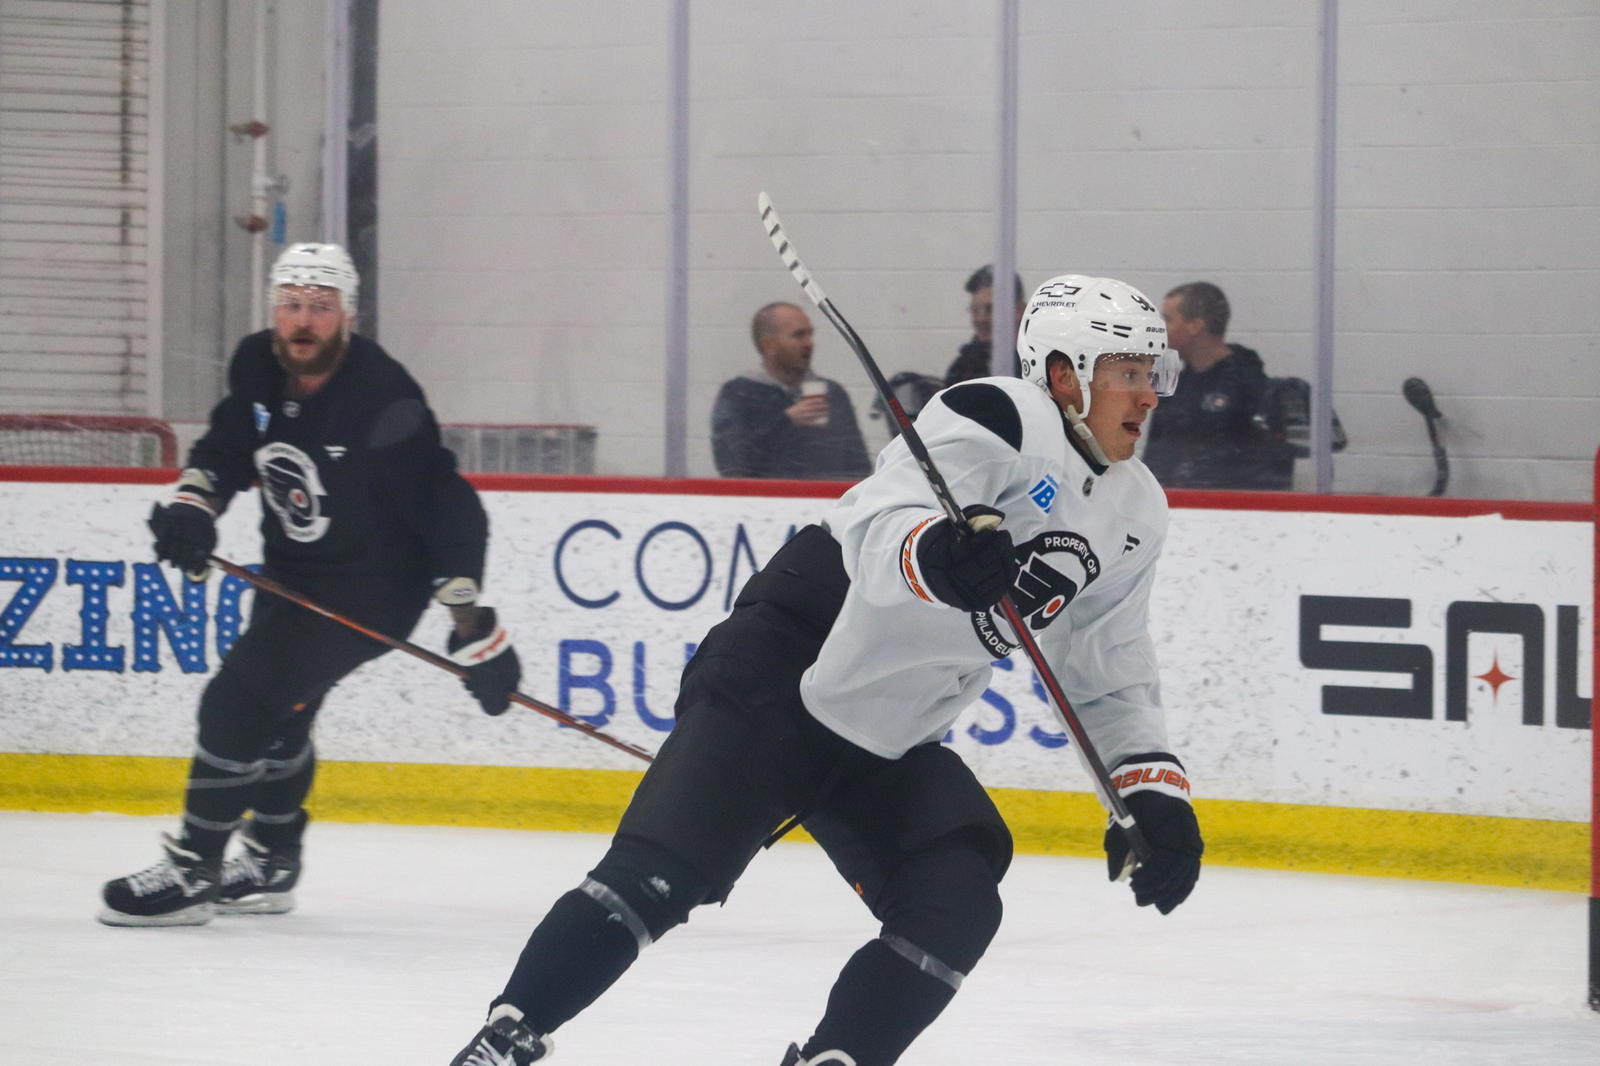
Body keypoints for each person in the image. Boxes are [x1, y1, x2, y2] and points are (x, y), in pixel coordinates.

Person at [447, 275, 1202, 1066]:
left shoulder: (1136, 511)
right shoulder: (997, 413)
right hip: (788, 662)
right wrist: (935, 556)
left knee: (955, 900)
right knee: (659, 876)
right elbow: (885, 519)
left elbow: (1107, 668)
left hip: (890, 729)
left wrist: (1149, 791)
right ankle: (505, 1038)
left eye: (1155, 375)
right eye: (1130, 372)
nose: (1150, 395)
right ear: (1064, 375)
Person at [99, 242, 522, 927]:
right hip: (293, 572)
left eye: (320, 308)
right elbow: (228, 445)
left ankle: (195, 867)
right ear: (274, 310)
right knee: (279, 714)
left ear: (347, 316)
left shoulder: (382, 396)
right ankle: (270, 862)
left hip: (374, 588)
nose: (303, 321)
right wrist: (192, 506)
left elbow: (447, 505)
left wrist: (476, 629)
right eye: (292, 305)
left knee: (236, 703)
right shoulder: (256, 363)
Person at [1140, 280, 1293, 490]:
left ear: (1196, 325)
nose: (1160, 329)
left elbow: (1265, 465)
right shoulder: (1171, 382)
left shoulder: (1248, 384)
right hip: (1174, 502)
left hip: (1231, 502)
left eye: (1167, 320)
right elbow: (1156, 456)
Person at [712, 301, 872, 480]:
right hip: (762, 502)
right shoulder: (739, 394)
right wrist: (786, 422)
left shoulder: (833, 393)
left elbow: (859, 466)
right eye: (798, 335)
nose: (809, 343)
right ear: (768, 345)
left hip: (829, 502)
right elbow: (731, 463)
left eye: (810, 334)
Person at [943, 264, 1024, 385]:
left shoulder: (1036, 362)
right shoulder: (963, 367)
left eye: (991, 309)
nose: (981, 319)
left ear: (1019, 309)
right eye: (975, 309)